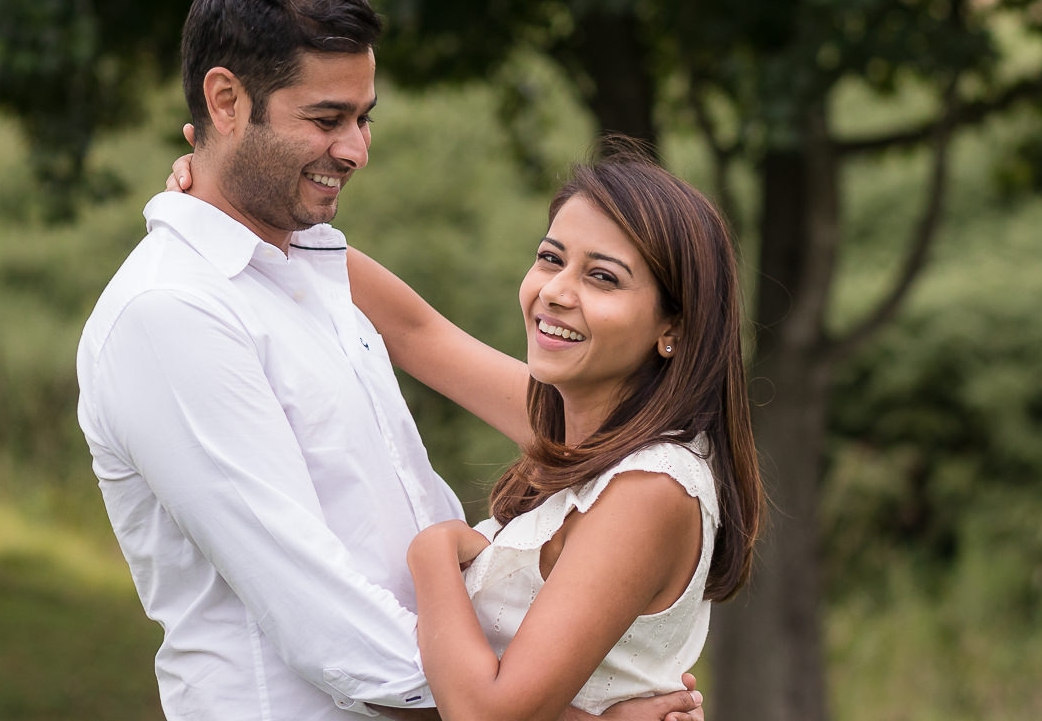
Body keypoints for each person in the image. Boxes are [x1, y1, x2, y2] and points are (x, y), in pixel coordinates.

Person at [81, 0, 703, 721]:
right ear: (226, 101)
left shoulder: (301, 268)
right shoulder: (170, 314)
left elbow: (421, 333)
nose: (356, 150)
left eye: (363, 118)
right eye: (326, 119)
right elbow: (323, 619)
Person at [172, 139, 763, 719]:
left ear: (674, 330)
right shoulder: (576, 430)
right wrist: (238, 203)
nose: (556, 292)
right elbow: (416, 333)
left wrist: (435, 550)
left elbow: (487, 715)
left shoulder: (649, 488)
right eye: (551, 258)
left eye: (603, 278)